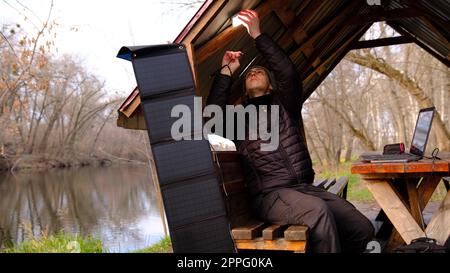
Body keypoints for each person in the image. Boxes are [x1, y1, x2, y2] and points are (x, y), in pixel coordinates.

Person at [206, 10, 374, 253]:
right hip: (271, 195)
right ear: (244, 89)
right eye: (249, 74)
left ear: (271, 85)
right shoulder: (237, 120)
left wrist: (257, 35)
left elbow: (288, 73)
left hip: (304, 188)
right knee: (318, 212)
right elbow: (211, 119)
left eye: (260, 71)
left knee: (361, 228)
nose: (253, 72)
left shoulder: (285, 104)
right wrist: (226, 72)